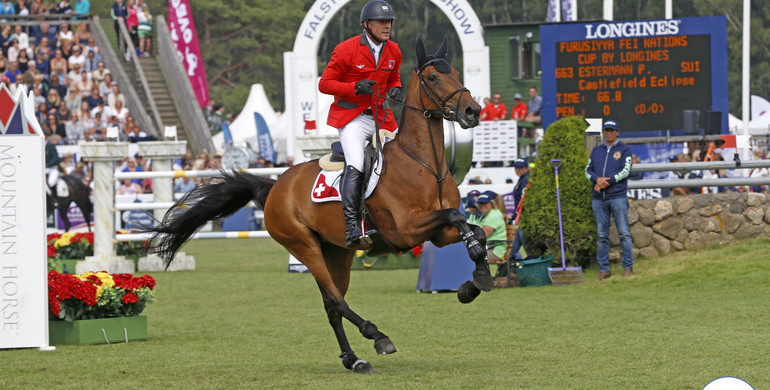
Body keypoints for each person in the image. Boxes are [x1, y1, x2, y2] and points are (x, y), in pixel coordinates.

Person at [318, 0, 402, 248]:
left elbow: (393, 75)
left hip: (381, 116)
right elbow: (324, 84)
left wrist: (395, 88)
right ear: (367, 25)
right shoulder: (346, 49)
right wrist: (353, 88)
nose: (387, 26)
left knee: (403, 157)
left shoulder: (394, 50)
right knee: (355, 163)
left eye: (389, 22)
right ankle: (352, 226)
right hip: (352, 118)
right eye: (381, 22)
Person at [585, 119, 633, 280]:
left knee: (624, 233)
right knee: (601, 235)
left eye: (612, 130)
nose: (609, 133)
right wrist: (597, 180)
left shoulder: (625, 149)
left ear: (617, 132)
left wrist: (606, 182)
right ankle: (604, 269)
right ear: (603, 132)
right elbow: (588, 170)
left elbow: (625, 170)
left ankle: (628, 267)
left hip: (617, 196)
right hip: (598, 198)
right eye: (606, 130)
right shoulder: (596, 150)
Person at [467, 190, 507, 269]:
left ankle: (479, 279)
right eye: (480, 203)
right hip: (487, 248)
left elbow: (479, 237)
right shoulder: (485, 215)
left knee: (466, 257)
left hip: (495, 251)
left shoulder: (493, 215)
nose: (482, 206)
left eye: (484, 203)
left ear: (491, 204)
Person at [508, 156, 529, 258]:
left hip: (523, 217)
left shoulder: (526, 180)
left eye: (520, 168)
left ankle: (535, 268)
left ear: (526, 168)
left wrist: (514, 215)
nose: (517, 170)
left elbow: (523, 200)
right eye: (516, 168)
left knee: (527, 247)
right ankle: (508, 270)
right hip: (519, 217)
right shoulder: (521, 179)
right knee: (512, 248)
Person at [45, 134, 64, 206]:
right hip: (43, 168)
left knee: (51, 182)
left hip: (52, 168)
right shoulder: (38, 144)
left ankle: (55, 199)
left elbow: (55, 158)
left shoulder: (51, 146)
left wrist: (47, 164)